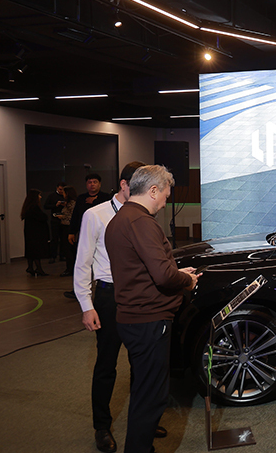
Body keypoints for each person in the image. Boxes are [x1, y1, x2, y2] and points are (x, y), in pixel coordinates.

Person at [72, 162, 166, 453]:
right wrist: (86, 305)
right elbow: (82, 262)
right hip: (109, 296)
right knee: (106, 364)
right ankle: (101, 426)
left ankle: (143, 420)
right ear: (125, 184)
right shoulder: (95, 214)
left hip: (141, 295)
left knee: (142, 363)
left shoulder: (145, 214)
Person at [105, 165, 199, 453]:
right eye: (166, 196)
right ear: (153, 190)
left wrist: (174, 271)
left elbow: (142, 269)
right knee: (152, 398)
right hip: (149, 320)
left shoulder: (120, 219)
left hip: (133, 317)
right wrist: (187, 280)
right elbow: (162, 276)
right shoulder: (142, 222)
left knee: (144, 392)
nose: (165, 203)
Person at [69, 173, 113, 246]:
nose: (92, 184)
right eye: (90, 182)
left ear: (99, 184)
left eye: (95, 182)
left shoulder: (106, 197)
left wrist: (95, 201)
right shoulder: (81, 198)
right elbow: (75, 215)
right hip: (84, 230)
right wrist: (72, 232)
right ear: (86, 184)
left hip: (101, 230)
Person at [21, 189, 49, 277]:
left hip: (30, 232)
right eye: (39, 195)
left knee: (31, 250)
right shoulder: (34, 208)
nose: (40, 197)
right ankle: (39, 269)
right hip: (35, 232)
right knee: (36, 251)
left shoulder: (28, 208)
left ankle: (30, 267)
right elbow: (43, 217)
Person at [57, 185, 78, 277]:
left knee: (69, 249)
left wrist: (63, 216)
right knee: (68, 249)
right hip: (65, 226)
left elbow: (73, 216)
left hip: (68, 227)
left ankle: (70, 268)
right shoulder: (68, 203)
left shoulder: (72, 203)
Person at [43, 183, 66, 263]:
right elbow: (46, 206)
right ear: (57, 188)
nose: (61, 191)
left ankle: (62, 255)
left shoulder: (66, 196)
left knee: (63, 238)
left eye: (63, 190)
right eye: (60, 189)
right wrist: (55, 205)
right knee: (54, 238)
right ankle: (53, 256)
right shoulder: (52, 196)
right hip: (55, 219)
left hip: (64, 219)